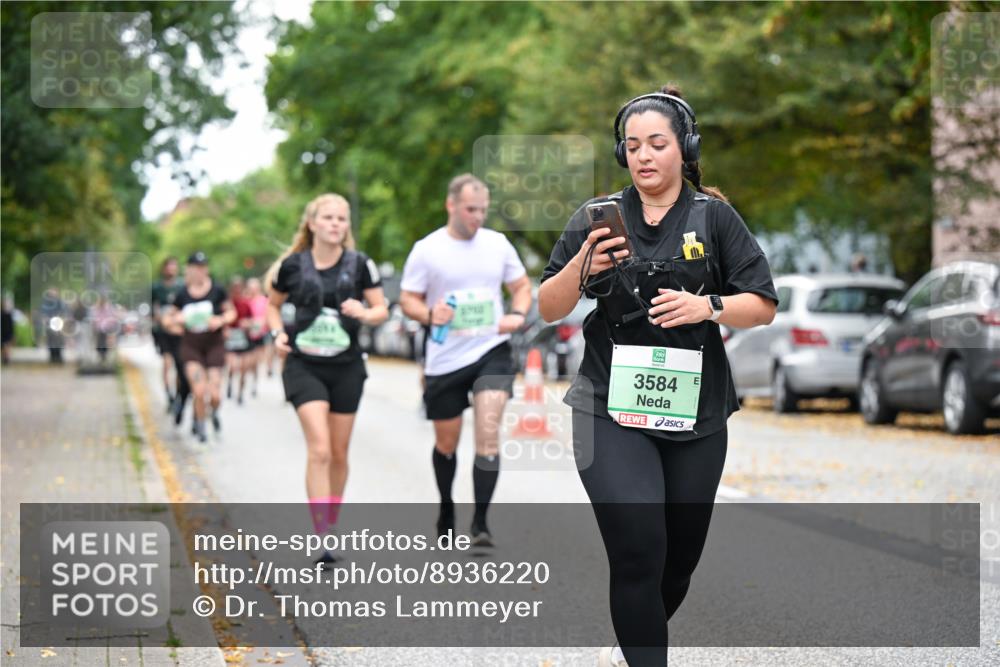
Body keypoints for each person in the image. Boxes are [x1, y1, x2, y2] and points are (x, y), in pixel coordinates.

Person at [537, 86, 778, 666]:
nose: (644, 155)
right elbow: (548, 306)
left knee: (677, 562)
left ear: (684, 148)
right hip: (609, 407)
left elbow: (763, 304)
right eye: (633, 145)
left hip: (697, 411)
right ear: (622, 154)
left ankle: (632, 643)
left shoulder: (714, 218)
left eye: (658, 143)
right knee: (638, 551)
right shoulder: (597, 219)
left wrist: (709, 307)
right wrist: (582, 264)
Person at [399, 174, 532, 546]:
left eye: (483, 210)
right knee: (447, 442)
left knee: (488, 433)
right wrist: (429, 314)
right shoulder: (427, 249)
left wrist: (518, 315)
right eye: (471, 209)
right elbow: (408, 299)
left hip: (492, 349)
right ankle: (446, 507)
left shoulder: (497, 244)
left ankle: (481, 524)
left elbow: (521, 287)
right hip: (445, 358)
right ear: (451, 205)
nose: (478, 217)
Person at [266, 193, 388, 565]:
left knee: (338, 453)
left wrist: (365, 314)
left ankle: (330, 519)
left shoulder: (361, 265)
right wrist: (277, 335)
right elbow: (272, 305)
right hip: (304, 365)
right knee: (319, 448)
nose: (336, 224)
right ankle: (321, 534)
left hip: (347, 366)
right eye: (329, 218)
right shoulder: (291, 266)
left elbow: (382, 309)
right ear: (313, 223)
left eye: (342, 219)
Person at [166, 252, 235, 443]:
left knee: (214, 394)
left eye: (203, 267)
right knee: (198, 390)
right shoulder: (182, 294)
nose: (199, 271)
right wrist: (175, 321)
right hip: (191, 346)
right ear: (188, 269)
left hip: (213, 345)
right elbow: (168, 319)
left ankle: (213, 412)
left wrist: (220, 320)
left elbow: (231, 312)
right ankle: (201, 426)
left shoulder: (217, 291)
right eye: (195, 267)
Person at [151, 257, 186, 409]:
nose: (171, 269)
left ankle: (179, 394)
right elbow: (153, 308)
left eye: (174, 266)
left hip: (179, 331)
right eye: (169, 266)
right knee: (167, 362)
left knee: (180, 364)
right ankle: (168, 394)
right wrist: (161, 319)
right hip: (162, 331)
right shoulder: (156, 287)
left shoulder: (182, 286)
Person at [224, 276, 254, 404]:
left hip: (243, 339)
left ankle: (240, 393)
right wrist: (226, 329)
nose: (237, 290)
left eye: (239, 287)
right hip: (230, 340)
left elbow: (251, 320)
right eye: (234, 288)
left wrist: (246, 324)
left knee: (243, 368)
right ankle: (230, 382)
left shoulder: (245, 303)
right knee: (233, 366)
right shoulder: (227, 303)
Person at [243, 277, 269, 398]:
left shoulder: (264, 300)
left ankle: (254, 382)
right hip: (247, 335)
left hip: (260, 334)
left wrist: (261, 324)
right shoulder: (245, 300)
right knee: (247, 362)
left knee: (256, 361)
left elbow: (267, 316)